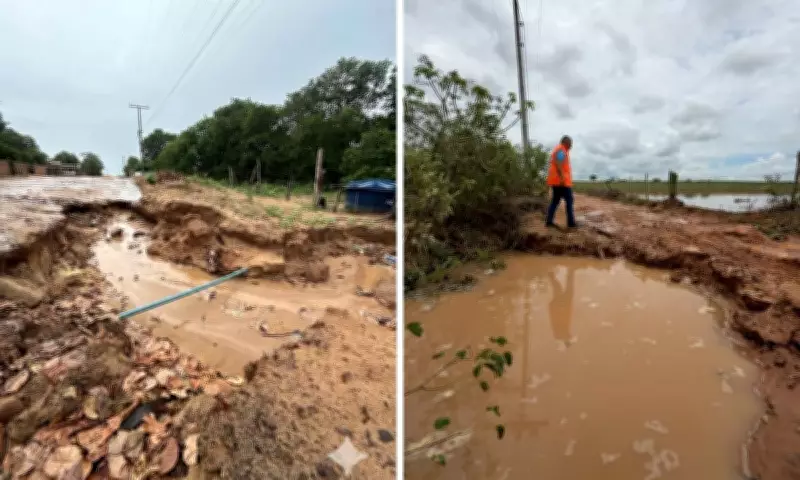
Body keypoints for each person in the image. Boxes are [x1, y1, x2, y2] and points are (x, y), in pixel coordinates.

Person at [545, 135, 577, 228]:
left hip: (557, 181)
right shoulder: (561, 150)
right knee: (569, 200)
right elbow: (558, 162)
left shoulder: (560, 150)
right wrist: (562, 177)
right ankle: (571, 223)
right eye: (570, 143)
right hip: (561, 182)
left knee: (555, 201)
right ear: (566, 143)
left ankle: (549, 221)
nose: (571, 146)